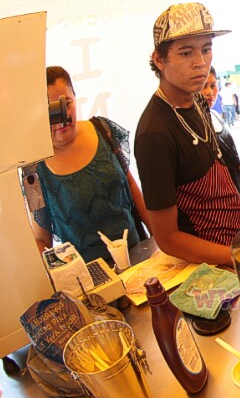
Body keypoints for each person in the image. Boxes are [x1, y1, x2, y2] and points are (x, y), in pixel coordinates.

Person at [135, 2, 240, 265]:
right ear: (159, 59)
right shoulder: (155, 133)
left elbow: (222, 178)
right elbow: (167, 239)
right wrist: (239, 257)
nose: (200, 63)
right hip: (212, 266)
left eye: (206, 49)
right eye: (186, 53)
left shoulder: (197, 101)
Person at [25, 66, 148, 263]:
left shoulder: (104, 130)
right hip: (91, 278)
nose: (61, 117)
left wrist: (160, 242)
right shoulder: (33, 170)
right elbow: (41, 239)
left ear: (75, 96)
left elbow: (132, 187)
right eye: (51, 110)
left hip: (138, 255)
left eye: (66, 103)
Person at [202, 67, 240, 215]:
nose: (209, 92)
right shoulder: (194, 126)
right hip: (220, 205)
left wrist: (239, 167)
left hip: (239, 191)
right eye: (203, 86)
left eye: (213, 85)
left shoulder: (215, 115)